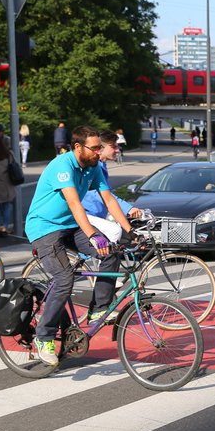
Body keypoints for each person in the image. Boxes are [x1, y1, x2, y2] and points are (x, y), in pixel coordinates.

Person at [25, 126, 133, 366]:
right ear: (77, 147)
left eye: (98, 148)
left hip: (70, 226)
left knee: (111, 251)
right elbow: (74, 203)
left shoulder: (92, 167)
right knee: (64, 279)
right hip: (45, 228)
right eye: (94, 148)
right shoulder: (62, 166)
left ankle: (98, 308)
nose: (98, 152)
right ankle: (44, 337)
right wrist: (94, 234)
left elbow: (109, 199)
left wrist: (129, 231)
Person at [80, 131, 142, 242]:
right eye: (113, 147)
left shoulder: (101, 166)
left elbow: (108, 195)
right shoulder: (93, 168)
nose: (117, 150)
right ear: (101, 148)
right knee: (114, 231)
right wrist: (128, 208)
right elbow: (104, 196)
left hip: (97, 215)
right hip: (86, 215)